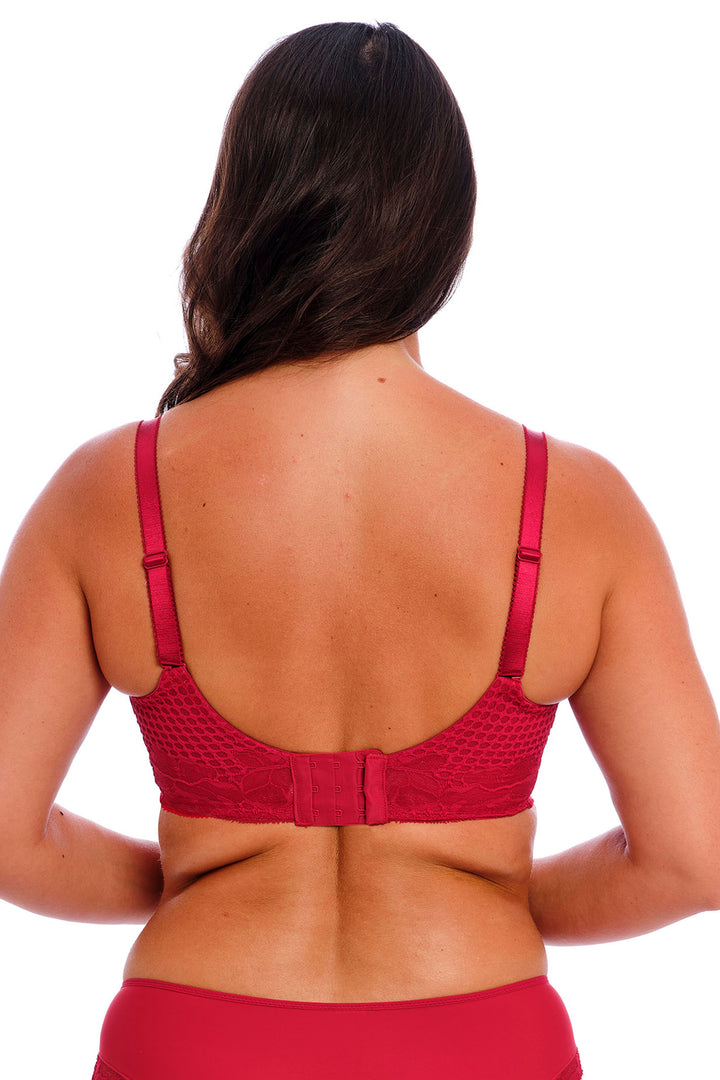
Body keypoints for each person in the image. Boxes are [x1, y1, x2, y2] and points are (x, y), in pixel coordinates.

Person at [0, 20, 718, 1080]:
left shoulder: (112, 490)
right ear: (447, 230)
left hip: (197, 1036)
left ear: (244, 206)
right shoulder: (576, 505)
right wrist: (484, 889)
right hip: (480, 1037)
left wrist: (199, 878)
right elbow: (693, 856)